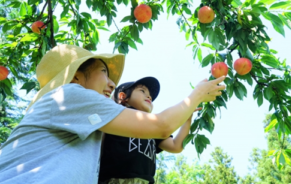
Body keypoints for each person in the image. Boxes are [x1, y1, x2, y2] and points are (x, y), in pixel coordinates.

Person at [0, 44, 225, 184]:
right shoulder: (69, 94)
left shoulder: (90, 124)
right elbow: (161, 125)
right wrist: (197, 94)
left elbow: (171, 140)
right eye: (104, 72)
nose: (111, 84)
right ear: (76, 76)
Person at [98, 77, 199, 184]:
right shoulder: (117, 115)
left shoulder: (151, 127)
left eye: (150, 94)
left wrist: (187, 118)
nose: (149, 96)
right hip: (116, 180)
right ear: (123, 96)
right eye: (142, 91)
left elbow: (176, 146)